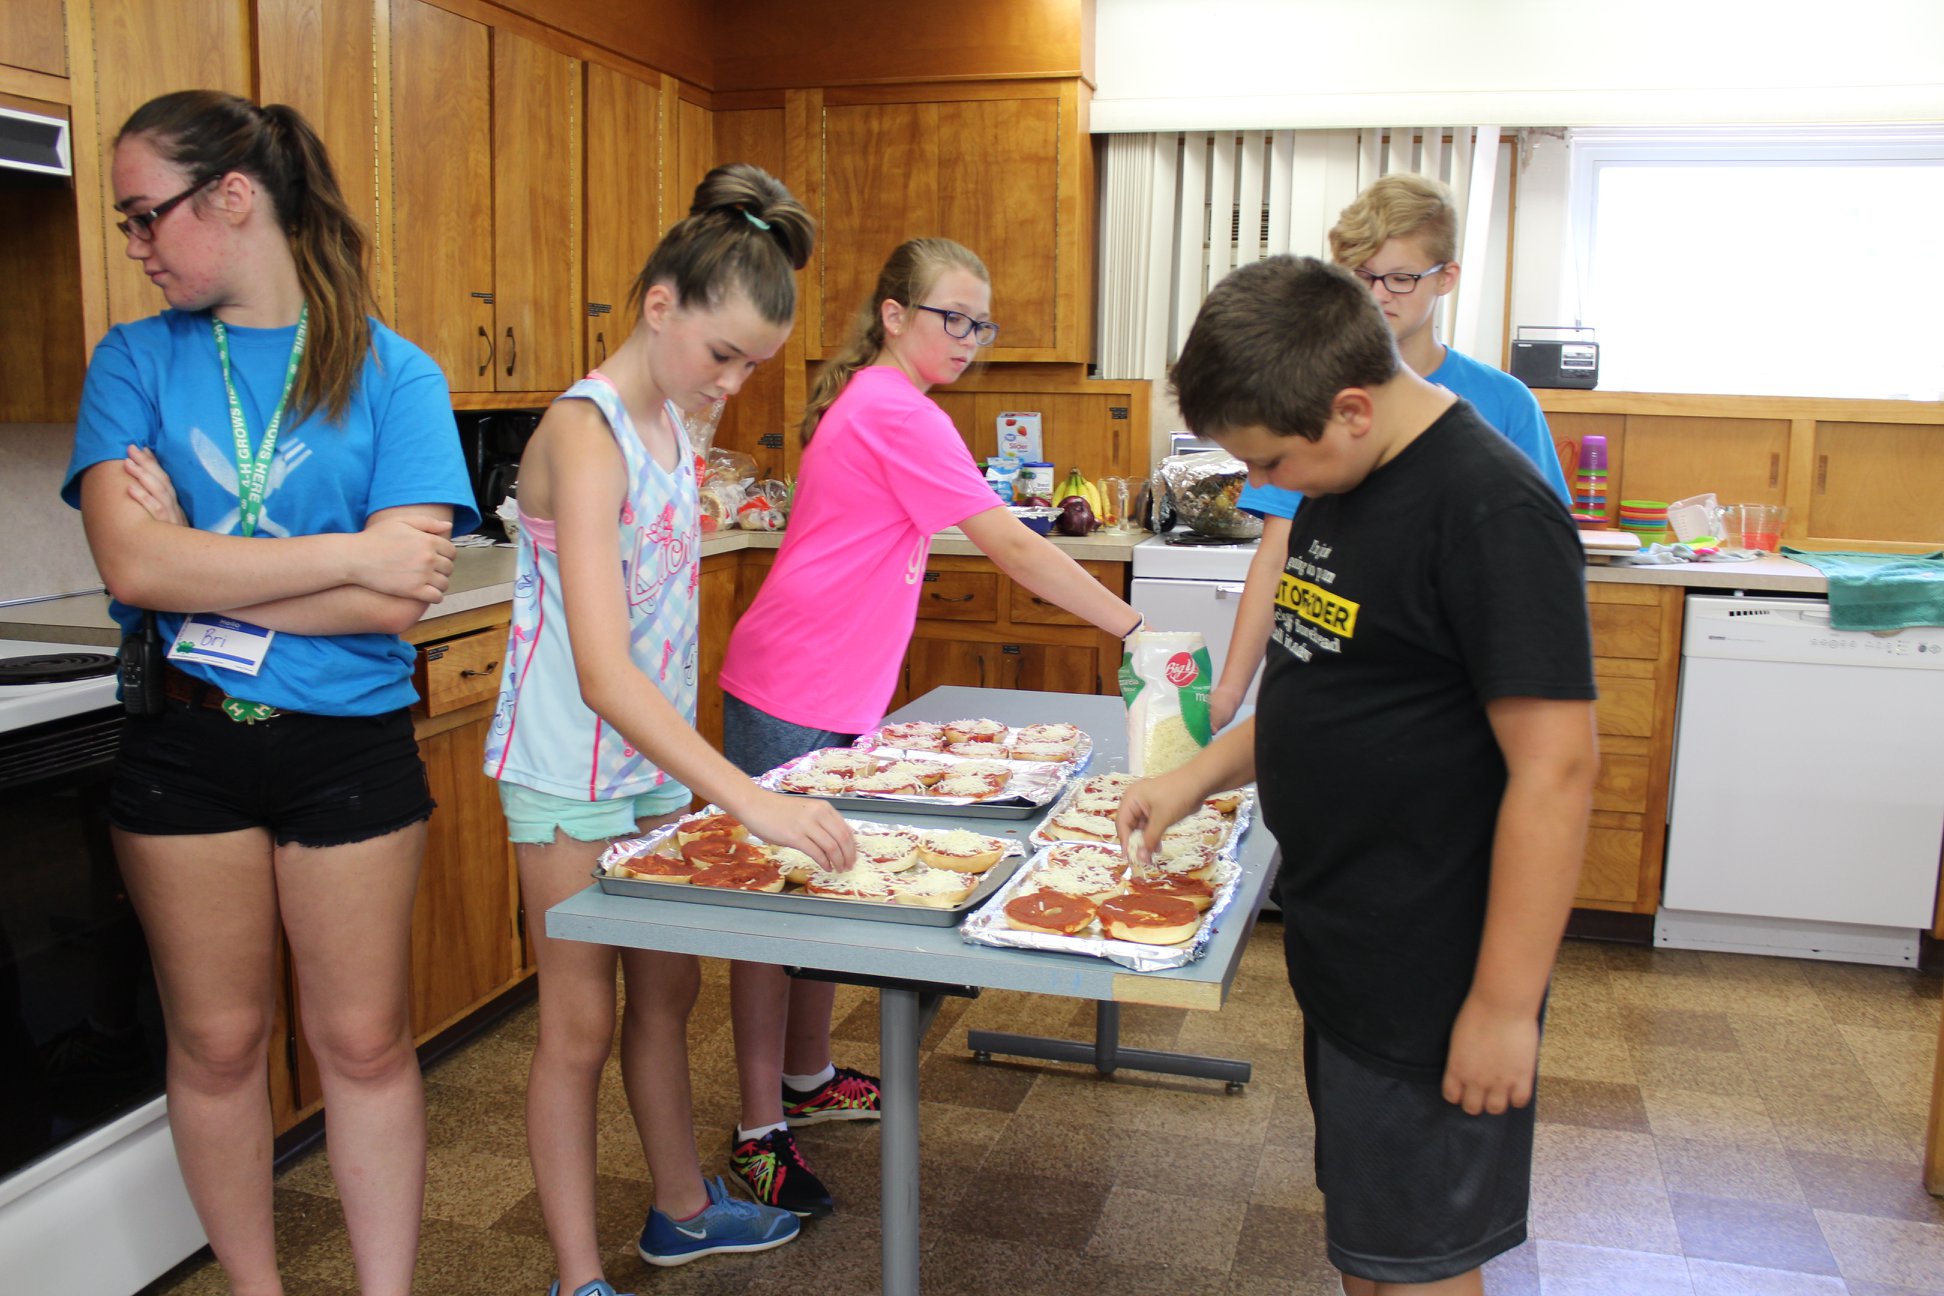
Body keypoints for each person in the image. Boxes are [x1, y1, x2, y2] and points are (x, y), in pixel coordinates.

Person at [63, 90, 478, 1295]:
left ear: (232, 197)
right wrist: (345, 554)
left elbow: (400, 599)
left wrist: (205, 568)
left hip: (348, 745)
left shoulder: (394, 373)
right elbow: (132, 563)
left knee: (360, 1042)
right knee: (218, 1041)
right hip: (183, 747)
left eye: (146, 218)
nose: (134, 247)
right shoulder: (135, 357)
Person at [1118, 255, 1598, 1296]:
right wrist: (1193, 776)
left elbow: (1557, 771)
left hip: (1437, 968)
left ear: (1348, 406)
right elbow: (1320, 681)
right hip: (1351, 952)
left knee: (1424, 1261)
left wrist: (1505, 1008)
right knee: (1371, 1243)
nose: (1271, 486)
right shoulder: (1347, 475)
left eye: (1274, 461)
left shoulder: (1489, 511)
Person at [716, 237, 1143, 1215]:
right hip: (791, 693)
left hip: (829, 693)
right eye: (951, 315)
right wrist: (1129, 622)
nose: (968, 336)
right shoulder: (893, 408)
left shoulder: (886, 401)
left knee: (821, 888)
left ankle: (808, 1077)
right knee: (769, 914)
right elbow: (1009, 547)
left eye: (979, 322)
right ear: (895, 313)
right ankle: (755, 1135)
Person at [483, 164, 852, 1296]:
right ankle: (577, 1277)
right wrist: (755, 800)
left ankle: (684, 1210)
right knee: (578, 1024)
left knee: (670, 995)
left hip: (646, 770)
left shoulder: (676, 425)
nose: (732, 384)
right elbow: (601, 670)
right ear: (659, 306)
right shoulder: (584, 432)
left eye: (752, 365)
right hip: (564, 772)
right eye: (722, 354)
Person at [1207, 173, 1571, 730]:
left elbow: (1538, 573)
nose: (1378, 295)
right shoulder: (1308, 402)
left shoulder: (1505, 405)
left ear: (1446, 277)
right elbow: (1279, 557)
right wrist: (1231, 694)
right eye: (1363, 277)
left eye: (1401, 278)